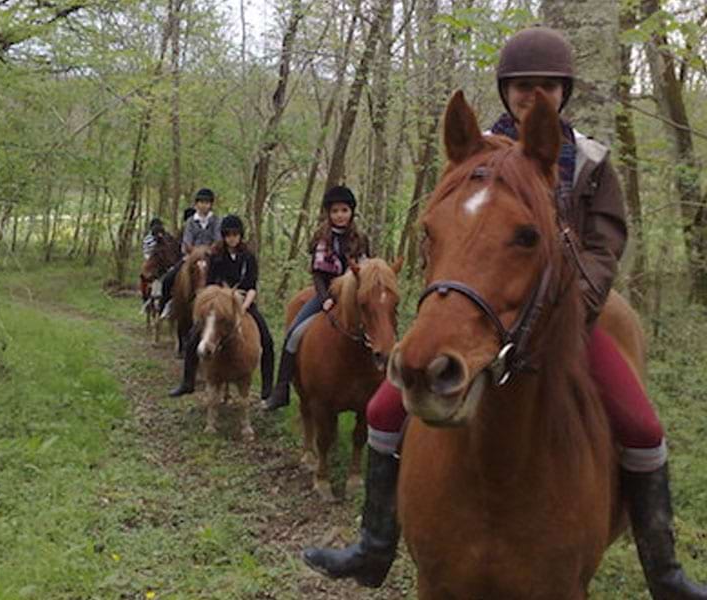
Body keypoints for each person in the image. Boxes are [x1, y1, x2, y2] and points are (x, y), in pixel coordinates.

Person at [302, 26, 707, 600]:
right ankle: (374, 543)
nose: (532, 94)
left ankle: (663, 571)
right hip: (480, 307)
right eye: (521, 84)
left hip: (564, 317)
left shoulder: (590, 160)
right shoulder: (477, 154)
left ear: (563, 90)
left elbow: (604, 243)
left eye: (545, 84)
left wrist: (573, 305)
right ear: (506, 89)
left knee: (642, 426)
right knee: (386, 408)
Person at [262, 185, 370, 411]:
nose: (340, 215)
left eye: (344, 210)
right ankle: (281, 389)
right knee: (294, 333)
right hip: (328, 293)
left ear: (351, 212)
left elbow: (367, 270)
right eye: (335, 211)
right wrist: (324, 299)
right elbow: (318, 274)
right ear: (329, 214)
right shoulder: (323, 239)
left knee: (380, 328)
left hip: (355, 297)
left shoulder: (360, 238)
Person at [168, 214, 275, 400]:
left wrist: (242, 307)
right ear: (223, 236)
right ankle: (187, 382)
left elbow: (251, 287)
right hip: (219, 304)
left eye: (235, 234)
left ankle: (268, 389)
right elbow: (210, 284)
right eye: (228, 234)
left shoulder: (248, 257)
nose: (232, 238)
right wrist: (220, 301)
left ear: (241, 235)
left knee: (267, 341)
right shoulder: (216, 256)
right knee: (193, 337)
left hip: (244, 303)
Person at [159, 189, 222, 321]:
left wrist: (207, 251)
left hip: (210, 257)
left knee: (223, 278)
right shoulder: (190, 222)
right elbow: (187, 242)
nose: (204, 205)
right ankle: (167, 304)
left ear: (211, 205)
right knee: (168, 279)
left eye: (207, 202)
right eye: (201, 202)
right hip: (191, 256)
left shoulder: (216, 221)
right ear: (196, 204)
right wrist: (196, 253)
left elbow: (217, 241)